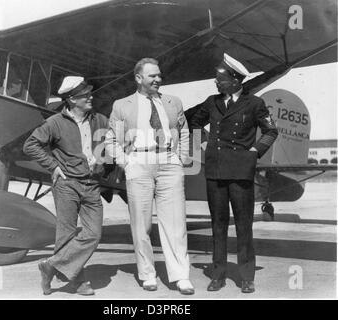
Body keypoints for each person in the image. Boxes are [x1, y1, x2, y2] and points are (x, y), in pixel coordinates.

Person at [187, 53, 278, 293]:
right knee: (217, 224)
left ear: (236, 80)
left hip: (240, 170)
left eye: (221, 79)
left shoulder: (255, 103)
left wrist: (254, 152)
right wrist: (204, 145)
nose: (216, 83)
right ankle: (217, 275)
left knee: (243, 225)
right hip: (215, 170)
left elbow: (270, 131)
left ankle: (247, 276)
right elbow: (194, 124)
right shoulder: (211, 102)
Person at [104, 58, 194, 295]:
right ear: (138, 78)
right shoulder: (122, 105)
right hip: (139, 163)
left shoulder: (173, 102)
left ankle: (181, 276)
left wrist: (181, 157)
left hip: (168, 163)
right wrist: (126, 163)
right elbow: (111, 139)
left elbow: (184, 131)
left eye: (159, 75)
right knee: (141, 225)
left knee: (175, 223)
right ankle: (147, 274)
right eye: (152, 76)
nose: (158, 79)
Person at [23, 76, 109, 296]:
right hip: (67, 184)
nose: (91, 97)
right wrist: (53, 166)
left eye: (90, 93)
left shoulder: (100, 119)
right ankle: (77, 281)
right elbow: (31, 145)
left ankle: (50, 265)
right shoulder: (55, 123)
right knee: (66, 234)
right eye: (84, 95)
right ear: (71, 100)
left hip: (92, 184)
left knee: (94, 234)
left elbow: (116, 140)